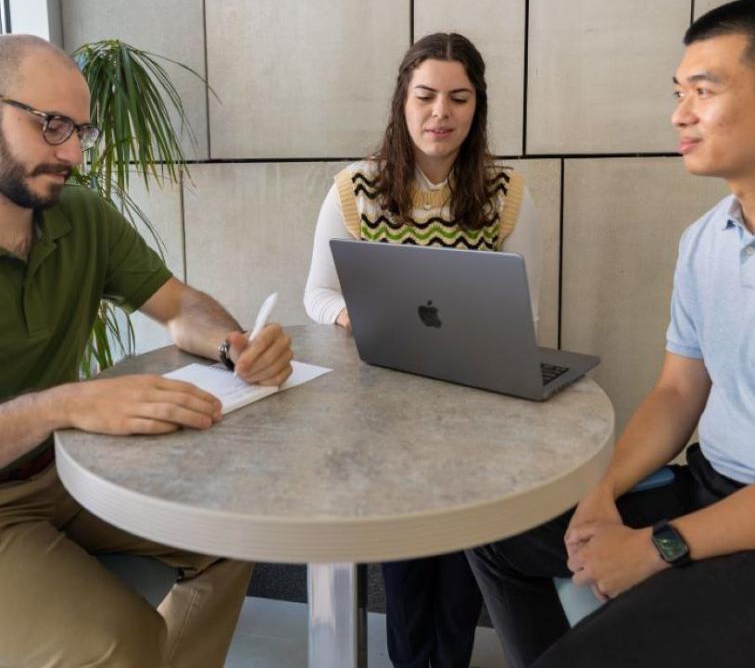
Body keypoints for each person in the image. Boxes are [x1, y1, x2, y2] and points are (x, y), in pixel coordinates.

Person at [466, 0, 755, 668]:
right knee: (498, 535)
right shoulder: (703, 240)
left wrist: (657, 546)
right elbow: (677, 393)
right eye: (677, 91)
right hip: (709, 483)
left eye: (702, 91)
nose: (678, 114)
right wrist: (599, 494)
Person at [0, 34, 294, 668]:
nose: (74, 152)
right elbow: (63, 406)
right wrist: (68, 403)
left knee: (230, 528)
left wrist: (230, 344)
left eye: (81, 130)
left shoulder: (82, 215)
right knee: (122, 640)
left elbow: (179, 305)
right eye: (52, 125)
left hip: (67, 474)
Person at [304, 32, 542, 668]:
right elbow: (316, 293)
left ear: (477, 107)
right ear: (402, 103)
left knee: (462, 575)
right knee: (406, 572)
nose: (441, 112)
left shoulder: (505, 191)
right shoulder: (356, 188)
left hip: (475, 411)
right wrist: (353, 312)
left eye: (458, 98)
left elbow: (529, 309)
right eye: (426, 96)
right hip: (383, 411)